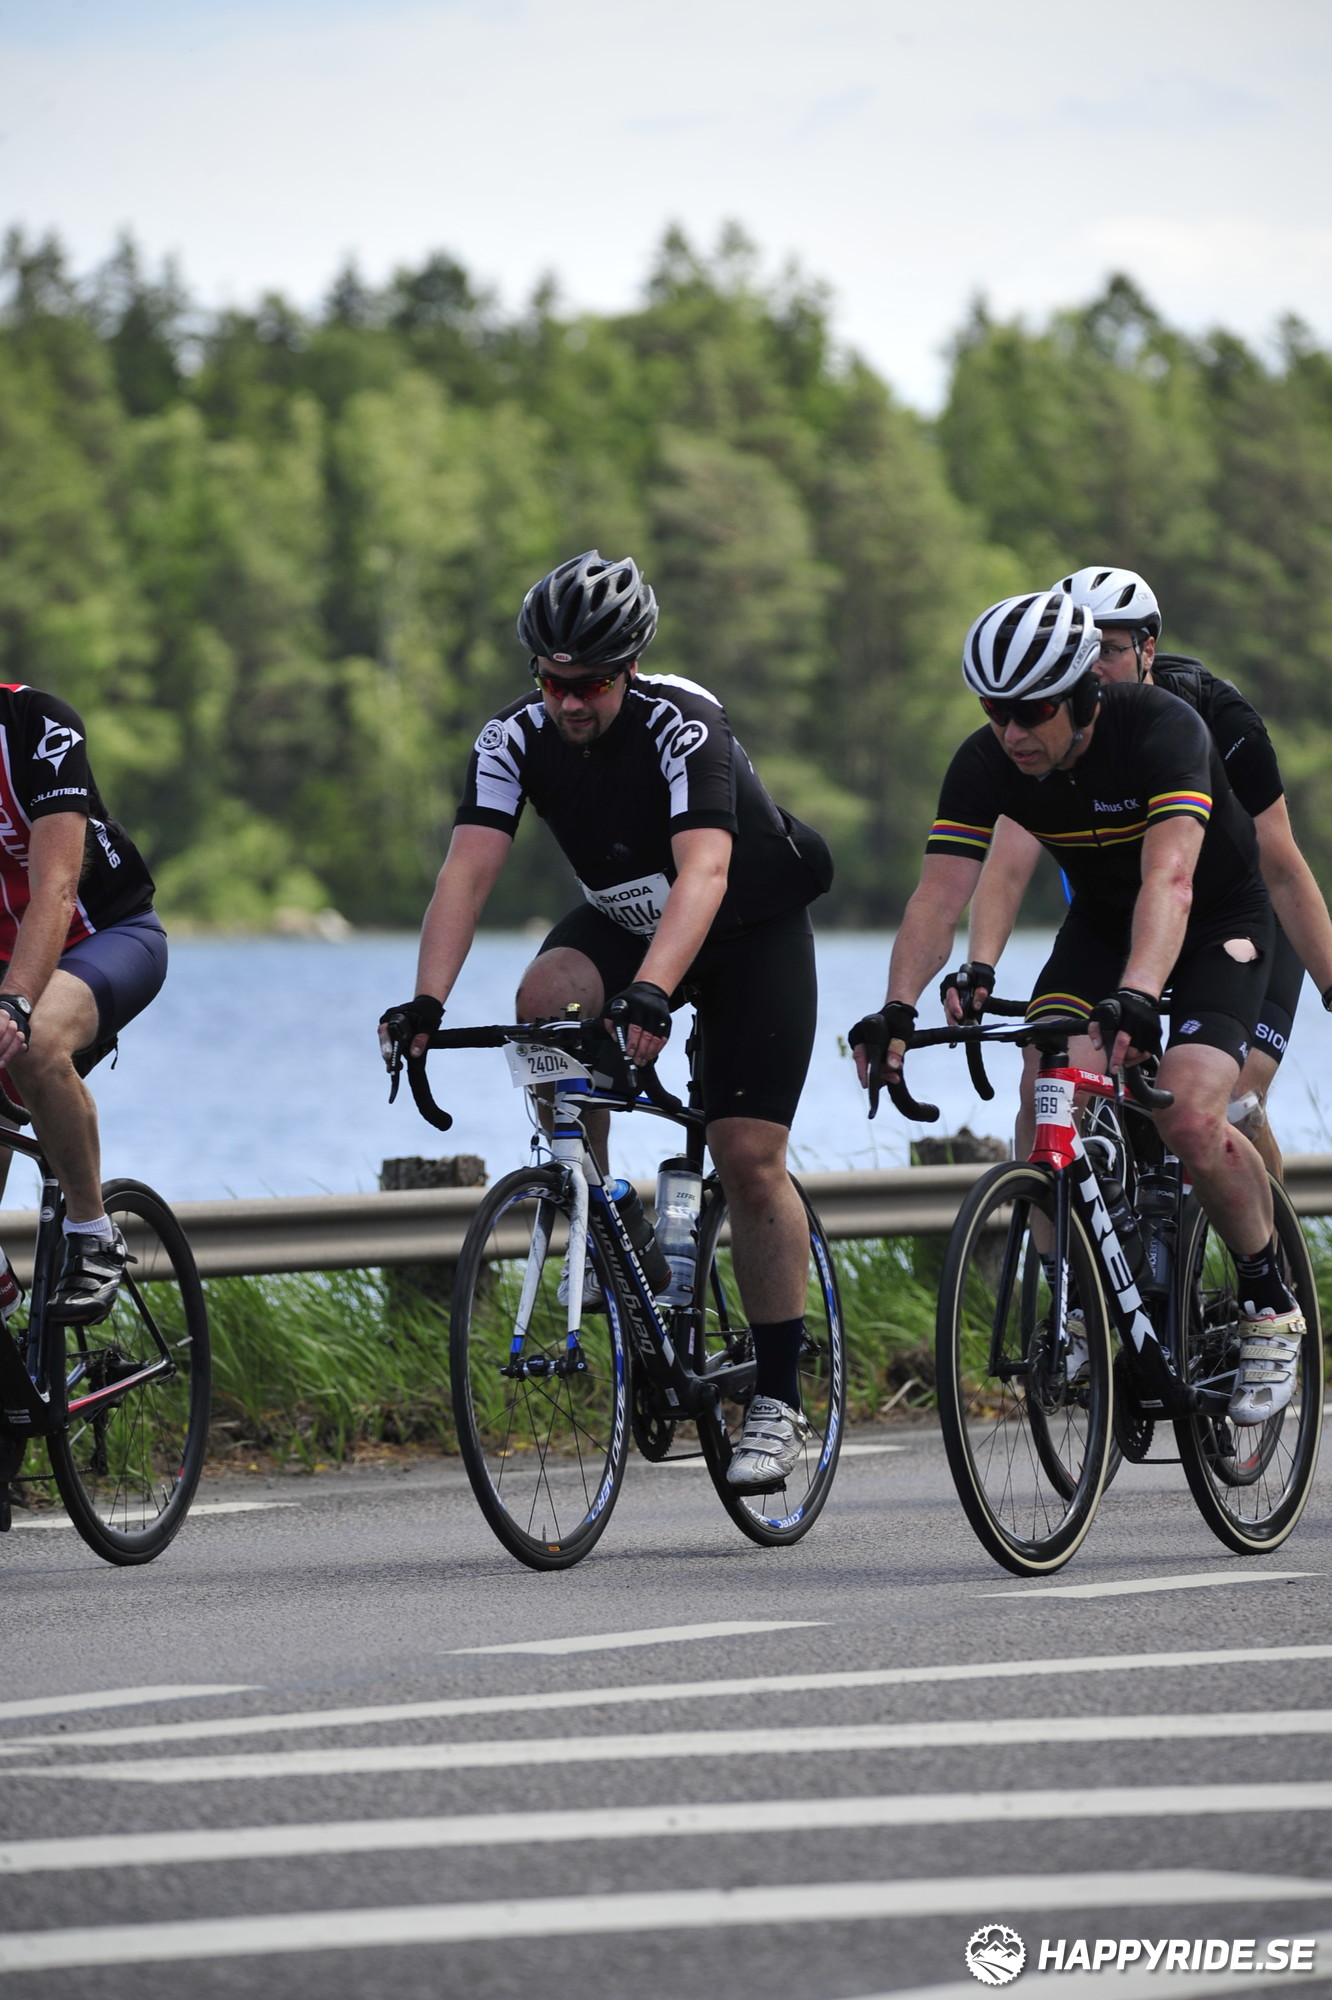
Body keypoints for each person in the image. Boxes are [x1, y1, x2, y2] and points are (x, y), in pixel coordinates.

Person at [379, 550, 833, 1488]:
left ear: (629, 669)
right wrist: (427, 1001)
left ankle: (780, 1398)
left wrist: (655, 991)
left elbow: (705, 872)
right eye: (551, 681)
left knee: (748, 1157)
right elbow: (466, 873)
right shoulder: (511, 737)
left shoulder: (684, 723)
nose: (568, 702)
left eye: (588, 684)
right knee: (543, 999)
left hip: (746, 930)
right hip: (629, 921)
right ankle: (600, 1206)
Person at [850, 589, 1304, 1427]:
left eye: (1031, 711)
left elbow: (1171, 879)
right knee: (1045, 1082)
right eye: (994, 711)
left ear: (1084, 695)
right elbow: (937, 897)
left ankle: (1268, 1300)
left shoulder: (1164, 730)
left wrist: (1139, 995)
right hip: (1101, 927)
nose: (1011, 732)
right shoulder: (987, 761)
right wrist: (897, 1009)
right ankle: (1075, 1307)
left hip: (1216, 920)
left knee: (1191, 1111)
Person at [961, 564, 1332, 1179]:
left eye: (1107, 650)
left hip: (1234, 917)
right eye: (1079, 653)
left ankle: (1269, 1231)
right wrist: (980, 966)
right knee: (1053, 1087)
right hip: (1125, 924)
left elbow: (1282, 867)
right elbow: (1004, 872)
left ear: (1147, 648)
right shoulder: (1052, 731)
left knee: (1230, 1100)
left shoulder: (1216, 718)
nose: (1092, 669)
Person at [0, 683, 167, 1497]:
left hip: (102, 938)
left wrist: (13, 1002)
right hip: (10, 962)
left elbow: (57, 889)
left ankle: (94, 1232)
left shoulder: (36, 725)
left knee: (33, 1048)